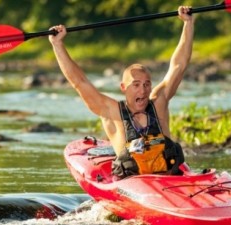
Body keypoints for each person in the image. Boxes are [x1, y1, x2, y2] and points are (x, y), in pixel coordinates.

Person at [49, 6, 194, 178]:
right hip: (133, 185)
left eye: (147, 84)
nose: (143, 90)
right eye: (136, 84)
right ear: (123, 88)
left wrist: (188, 24)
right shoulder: (112, 111)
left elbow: (178, 65)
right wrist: (57, 44)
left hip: (170, 182)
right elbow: (79, 82)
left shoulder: (159, 103)